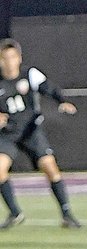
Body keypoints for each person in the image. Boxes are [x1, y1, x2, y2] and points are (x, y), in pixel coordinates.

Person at [0, 38, 81, 230]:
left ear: (19, 58)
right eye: (4, 58)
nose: (9, 62)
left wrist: (62, 100)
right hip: (8, 134)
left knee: (50, 167)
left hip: (31, 131)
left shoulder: (29, 74)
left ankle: (67, 214)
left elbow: (49, 88)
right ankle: (15, 213)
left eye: (12, 57)